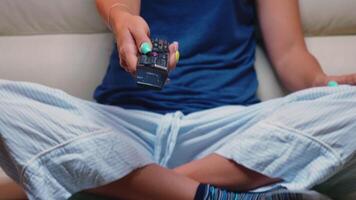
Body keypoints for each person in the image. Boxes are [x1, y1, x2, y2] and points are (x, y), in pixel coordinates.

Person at [0, 0, 356, 199]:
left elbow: (291, 54)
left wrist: (321, 82)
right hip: (125, 129)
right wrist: (124, 23)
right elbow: (120, 9)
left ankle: (127, 188)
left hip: (229, 136)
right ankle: (208, 194)